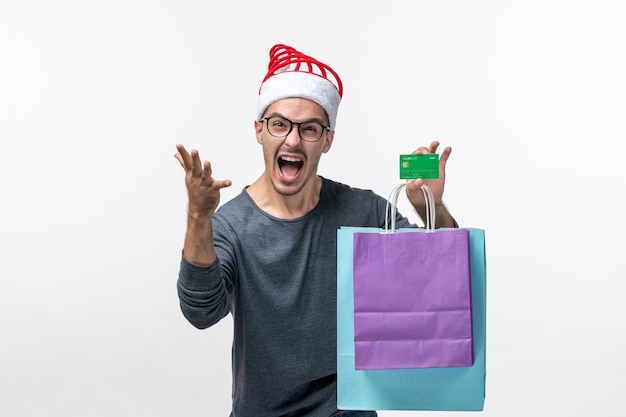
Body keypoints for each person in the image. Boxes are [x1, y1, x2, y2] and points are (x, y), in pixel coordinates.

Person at [174, 44, 456, 417]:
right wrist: (198, 217)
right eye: (279, 124)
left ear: (328, 139)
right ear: (259, 130)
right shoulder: (230, 225)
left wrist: (430, 209)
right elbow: (201, 312)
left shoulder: (364, 210)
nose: (292, 140)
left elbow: (441, 282)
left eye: (309, 128)